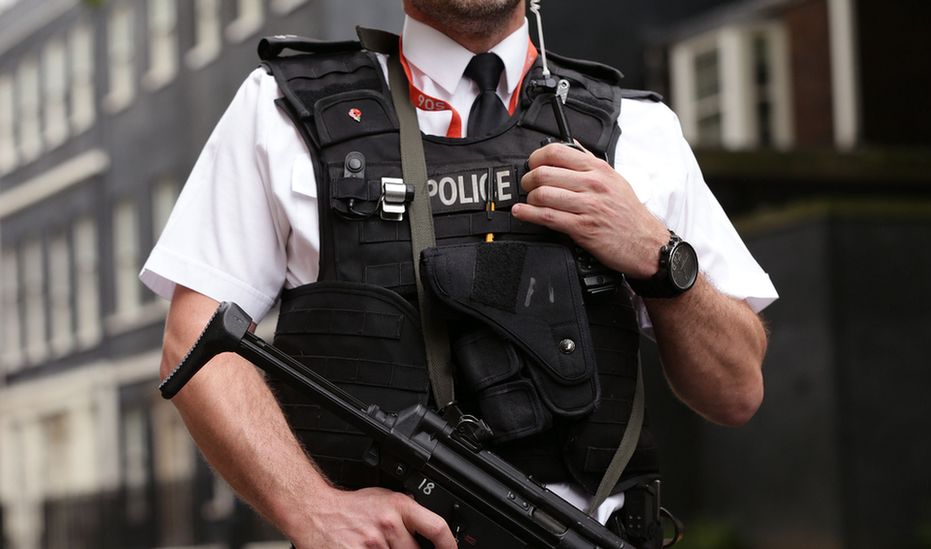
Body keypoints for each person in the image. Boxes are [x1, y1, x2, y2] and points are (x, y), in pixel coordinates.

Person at [141, 1, 778, 547]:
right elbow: (196, 341)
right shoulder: (280, 110)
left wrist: (658, 256)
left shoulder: (639, 131)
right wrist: (310, 508)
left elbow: (735, 391)